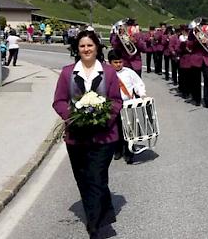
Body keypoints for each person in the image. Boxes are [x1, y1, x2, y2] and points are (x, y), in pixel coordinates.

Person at [52, 30, 123, 238]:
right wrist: (74, 116)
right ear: (77, 49)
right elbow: (59, 101)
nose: (86, 49)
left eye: (90, 45)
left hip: (104, 136)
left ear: (97, 47)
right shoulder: (67, 73)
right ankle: (101, 213)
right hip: (76, 136)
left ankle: (95, 225)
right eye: (82, 46)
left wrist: (104, 117)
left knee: (97, 177)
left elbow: (116, 100)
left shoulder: (109, 72)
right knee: (83, 178)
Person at [108, 49, 147, 164]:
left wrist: (142, 93)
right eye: (116, 62)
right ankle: (118, 150)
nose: (119, 64)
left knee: (129, 129)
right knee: (116, 129)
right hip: (114, 106)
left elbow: (138, 83)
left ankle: (129, 152)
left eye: (120, 62)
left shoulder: (129, 72)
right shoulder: (107, 73)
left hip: (128, 105)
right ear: (110, 62)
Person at [186, 18, 208, 107]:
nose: (202, 26)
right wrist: (196, 39)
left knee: (207, 79)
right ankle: (197, 99)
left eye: (203, 24)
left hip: (207, 59)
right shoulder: (193, 32)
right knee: (196, 80)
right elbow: (189, 45)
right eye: (200, 24)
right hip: (196, 58)